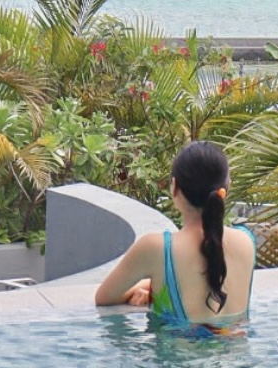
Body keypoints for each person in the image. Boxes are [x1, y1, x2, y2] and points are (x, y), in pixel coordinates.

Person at [94, 140, 255, 336]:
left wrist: (150, 290)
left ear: (174, 187)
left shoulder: (156, 248)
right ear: (226, 188)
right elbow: (208, 277)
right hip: (235, 364)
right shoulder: (247, 241)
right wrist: (155, 288)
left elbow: (104, 297)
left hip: (177, 363)